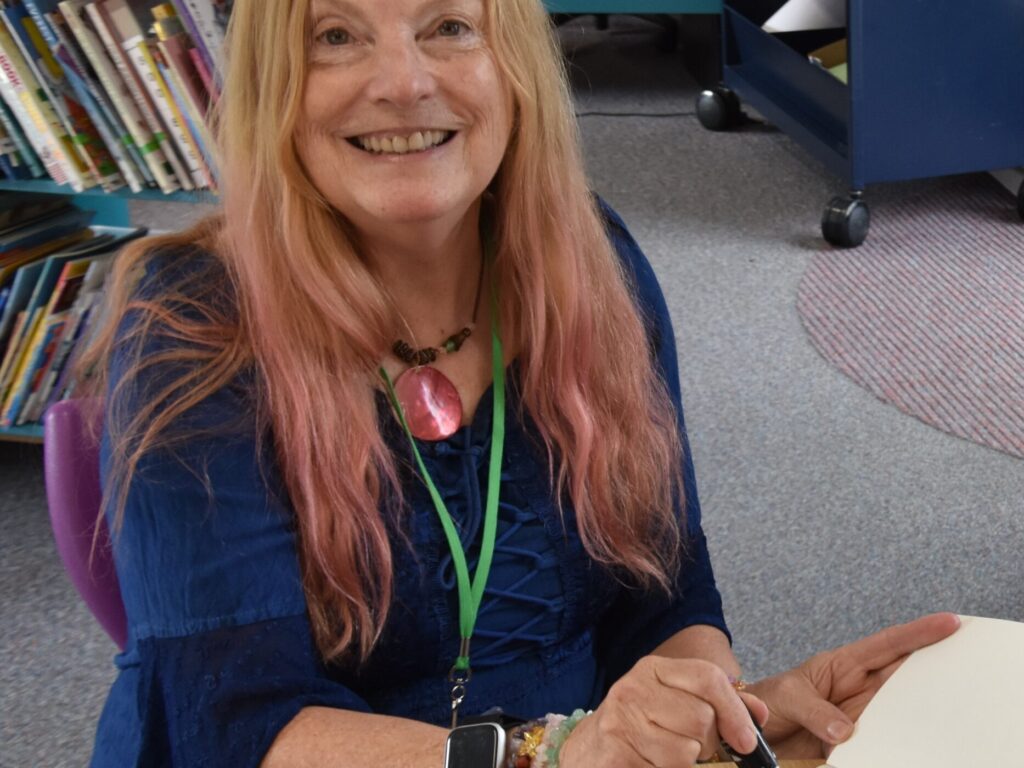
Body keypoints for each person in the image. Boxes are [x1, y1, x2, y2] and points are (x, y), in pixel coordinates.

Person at [80, 0, 960, 765]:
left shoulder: (591, 263)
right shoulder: (192, 328)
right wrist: (550, 752)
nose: (404, 82)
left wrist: (727, 721)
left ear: (515, 69)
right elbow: (235, 729)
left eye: (451, 27)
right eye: (336, 35)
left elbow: (666, 595)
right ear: (273, 83)